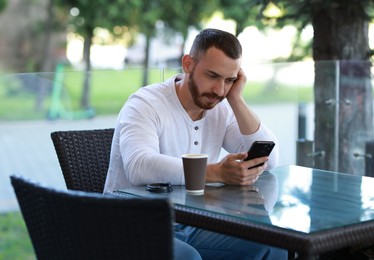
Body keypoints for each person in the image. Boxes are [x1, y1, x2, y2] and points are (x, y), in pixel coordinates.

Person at [104, 28, 287, 259]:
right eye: (212, 76)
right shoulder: (144, 104)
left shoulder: (220, 107)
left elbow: (270, 159)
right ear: (188, 64)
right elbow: (139, 167)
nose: (220, 90)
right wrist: (216, 173)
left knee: (273, 244)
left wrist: (236, 100)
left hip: (191, 223)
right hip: (131, 225)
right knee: (187, 257)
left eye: (229, 80)